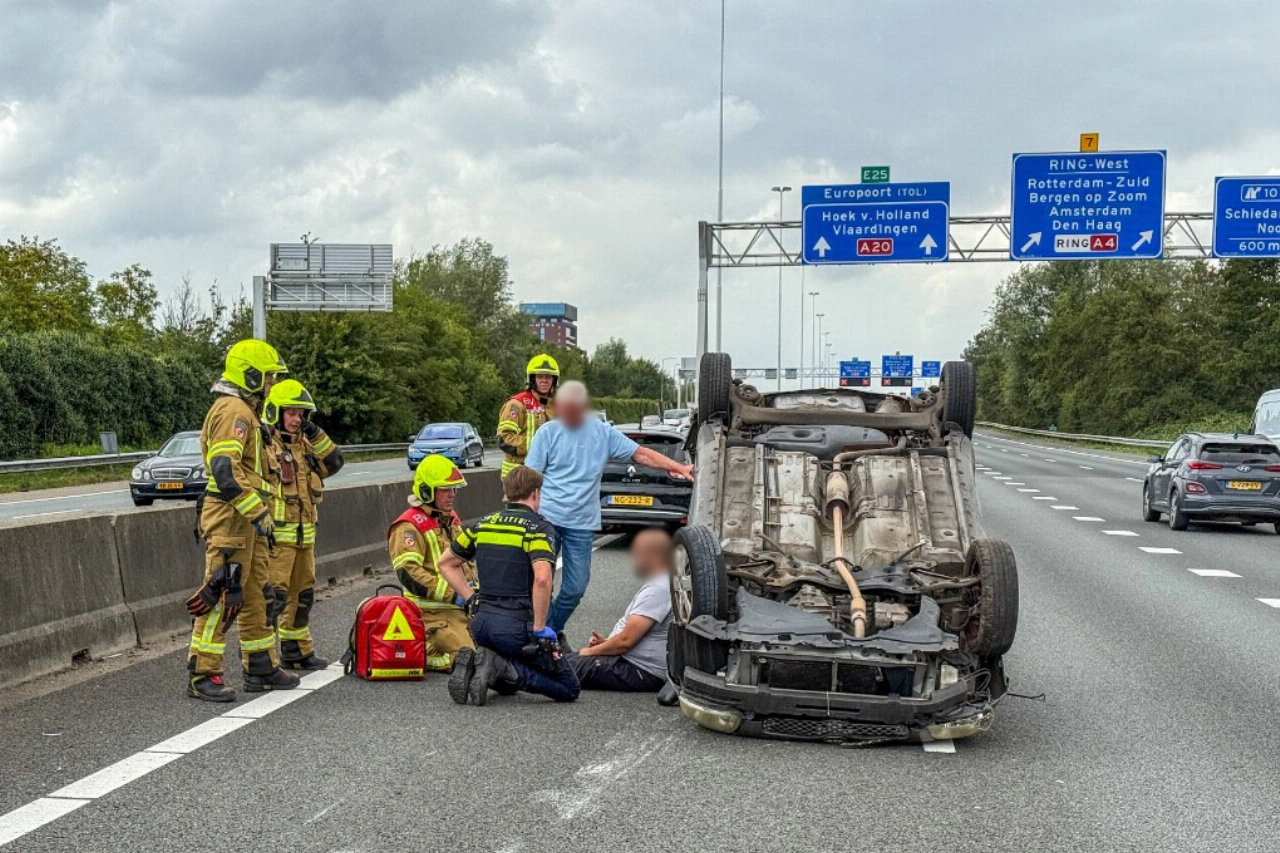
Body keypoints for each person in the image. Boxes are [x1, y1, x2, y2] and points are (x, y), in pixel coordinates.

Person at [525, 380, 693, 633]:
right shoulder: (547, 433)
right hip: (547, 518)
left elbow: (642, 455)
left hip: (581, 523)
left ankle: (549, 629)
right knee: (541, 582)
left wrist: (679, 467)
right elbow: (531, 475)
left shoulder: (601, 433)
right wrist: (527, 512)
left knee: (575, 588)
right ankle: (544, 637)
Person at [185, 339, 297, 701]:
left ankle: (260, 665)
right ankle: (203, 673)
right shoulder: (233, 410)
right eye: (267, 378)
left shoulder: (247, 412)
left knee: (256, 596)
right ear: (249, 376)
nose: (270, 385)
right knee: (223, 594)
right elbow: (225, 470)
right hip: (232, 518)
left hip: (246, 522)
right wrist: (257, 512)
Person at [436, 465, 579, 706]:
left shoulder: (483, 524)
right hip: (516, 629)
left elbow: (446, 563)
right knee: (568, 687)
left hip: (481, 627)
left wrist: (472, 598)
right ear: (535, 493)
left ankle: (478, 665)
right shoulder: (539, 528)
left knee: (508, 685)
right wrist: (540, 627)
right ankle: (497, 665)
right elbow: (542, 578)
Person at [261, 379, 344, 670]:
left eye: (301, 414)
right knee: (274, 600)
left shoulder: (306, 446)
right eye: (291, 413)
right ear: (276, 412)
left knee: (303, 597)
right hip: (276, 542)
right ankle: (263, 660)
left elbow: (334, 461)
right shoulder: (266, 446)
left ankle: (296, 649)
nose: (297, 419)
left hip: (304, 539)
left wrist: (313, 430)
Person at [387, 454, 476, 673]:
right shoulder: (407, 527)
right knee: (472, 660)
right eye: (445, 489)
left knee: (501, 647)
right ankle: (425, 650)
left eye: (454, 489)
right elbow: (409, 574)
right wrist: (454, 594)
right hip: (432, 618)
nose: (452, 494)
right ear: (427, 491)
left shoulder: (450, 519)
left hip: (461, 610)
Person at [564, 528, 673, 692]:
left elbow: (625, 642)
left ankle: (515, 676)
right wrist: (607, 644)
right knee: (563, 661)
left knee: (560, 668)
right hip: (632, 660)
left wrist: (591, 651)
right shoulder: (663, 581)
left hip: (638, 668)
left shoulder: (659, 588)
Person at [497, 354, 559, 477]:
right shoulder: (517, 404)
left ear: (554, 380)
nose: (544, 380)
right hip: (519, 475)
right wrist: (538, 446)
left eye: (548, 377)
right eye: (540, 376)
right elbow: (504, 439)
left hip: (548, 475)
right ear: (532, 379)